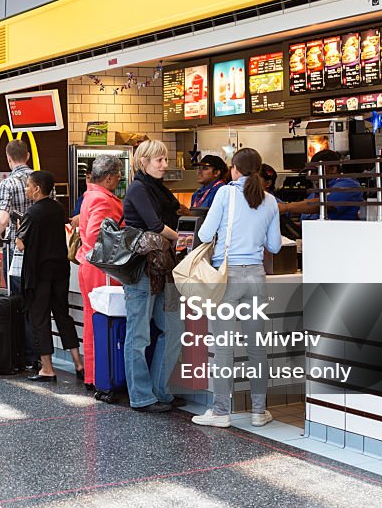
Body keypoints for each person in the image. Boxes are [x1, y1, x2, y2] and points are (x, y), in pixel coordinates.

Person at [192, 148, 281, 428]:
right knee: (257, 348)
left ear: (235, 169)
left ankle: (220, 412)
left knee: (223, 348)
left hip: (227, 277)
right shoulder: (269, 200)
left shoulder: (225, 194)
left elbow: (205, 234)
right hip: (256, 277)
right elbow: (275, 246)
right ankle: (258, 412)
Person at [122, 139, 183, 413]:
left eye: (165, 159)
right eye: (159, 160)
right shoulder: (138, 188)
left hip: (160, 267)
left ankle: (160, 390)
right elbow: (156, 225)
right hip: (141, 269)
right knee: (138, 336)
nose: (164, 165)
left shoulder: (157, 189)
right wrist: (184, 238)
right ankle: (141, 397)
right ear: (143, 161)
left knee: (172, 329)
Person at [16, 170, 83, 383]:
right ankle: (79, 364)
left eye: (28, 185)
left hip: (39, 274)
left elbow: (21, 243)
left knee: (40, 318)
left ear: (37, 189)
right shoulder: (58, 208)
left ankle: (47, 368)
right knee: (63, 315)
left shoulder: (32, 214)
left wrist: (19, 231)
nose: (26, 188)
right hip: (60, 270)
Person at [0, 139, 38, 369]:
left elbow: (3, 217)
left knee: (19, 300)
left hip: (17, 250)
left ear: (9, 159)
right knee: (37, 301)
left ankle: (24, 355)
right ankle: (39, 354)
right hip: (40, 248)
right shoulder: (41, 179)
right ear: (27, 156)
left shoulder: (8, 183)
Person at [77, 155, 124, 389]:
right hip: (101, 269)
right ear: (108, 177)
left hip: (89, 265)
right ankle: (103, 375)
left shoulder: (91, 196)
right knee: (103, 321)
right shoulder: (103, 200)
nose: (119, 179)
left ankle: (94, 375)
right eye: (117, 175)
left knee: (91, 320)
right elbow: (96, 235)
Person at [278, 149, 362, 221]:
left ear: (333, 169)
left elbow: (322, 204)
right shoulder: (315, 194)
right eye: (310, 172)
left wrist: (286, 207)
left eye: (316, 171)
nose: (312, 176)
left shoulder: (348, 185)